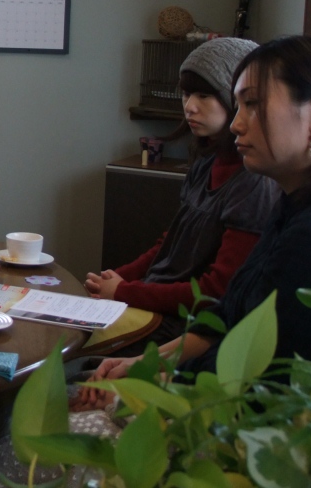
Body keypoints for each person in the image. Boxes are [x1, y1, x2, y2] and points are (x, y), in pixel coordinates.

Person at [78, 35, 311, 404]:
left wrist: (141, 385)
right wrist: (141, 364)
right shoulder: (292, 206)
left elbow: (252, 381)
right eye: (237, 105)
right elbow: (226, 318)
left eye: (253, 104)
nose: (236, 124)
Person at [84, 38, 280, 347]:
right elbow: (170, 245)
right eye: (187, 94)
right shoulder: (206, 163)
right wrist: (113, 278)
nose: (190, 106)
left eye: (204, 95)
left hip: (184, 327)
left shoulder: (253, 183)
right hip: (152, 301)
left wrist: (124, 291)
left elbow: (216, 291)